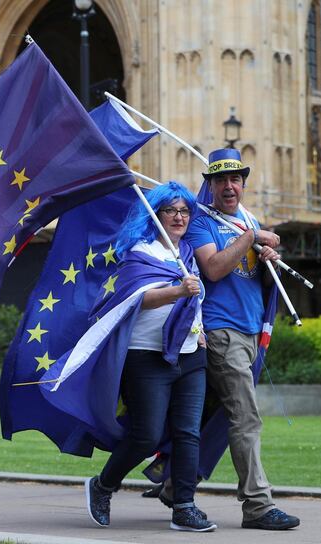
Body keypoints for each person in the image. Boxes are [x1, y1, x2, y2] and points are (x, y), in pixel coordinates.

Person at [165, 148, 300, 530]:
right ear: (210, 184)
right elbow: (214, 267)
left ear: (243, 183)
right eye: (221, 179)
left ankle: (175, 486)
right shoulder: (200, 222)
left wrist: (266, 255)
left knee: (210, 414)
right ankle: (258, 506)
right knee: (245, 416)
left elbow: (250, 274)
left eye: (235, 179)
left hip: (249, 332)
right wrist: (251, 238)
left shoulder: (247, 218)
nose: (229, 186)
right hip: (220, 330)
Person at [85, 182, 217, 532]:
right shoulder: (139, 252)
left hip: (190, 356)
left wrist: (198, 328)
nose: (178, 217)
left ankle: (184, 507)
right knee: (146, 434)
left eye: (184, 211)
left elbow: (195, 300)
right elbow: (136, 299)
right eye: (171, 211)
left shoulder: (187, 253)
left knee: (188, 433)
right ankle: (103, 485)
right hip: (146, 356)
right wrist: (177, 290)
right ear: (156, 215)